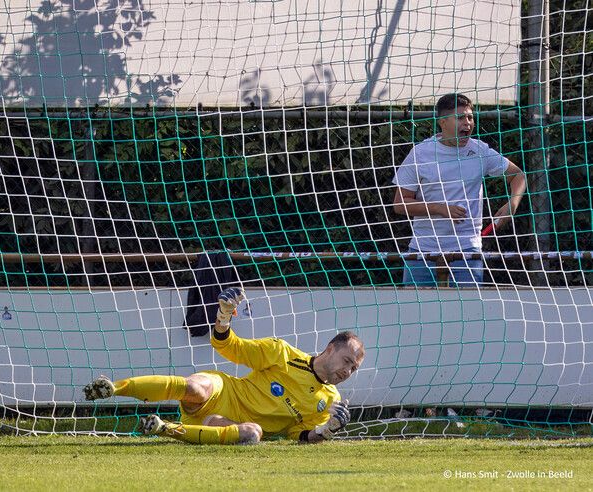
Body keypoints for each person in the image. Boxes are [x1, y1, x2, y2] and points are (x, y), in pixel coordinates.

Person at [84, 287, 365, 444]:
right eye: (347, 361)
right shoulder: (283, 353)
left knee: (252, 434)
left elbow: (299, 435)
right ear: (330, 348)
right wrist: (224, 316)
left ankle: (164, 428)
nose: (348, 371)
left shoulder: (331, 402)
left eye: (354, 369)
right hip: (225, 391)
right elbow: (230, 347)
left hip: (226, 423)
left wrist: (326, 431)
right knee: (195, 387)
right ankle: (113, 387)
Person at [392, 93, 527, 286]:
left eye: (470, 117)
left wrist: (512, 204)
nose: (468, 123)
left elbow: (518, 175)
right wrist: (440, 209)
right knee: (416, 315)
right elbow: (400, 203)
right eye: (460, 117)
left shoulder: (480, 151)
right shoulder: (421, 153)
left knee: (468, 314)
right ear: (443, 122)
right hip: (422, 251)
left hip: (467, 251)